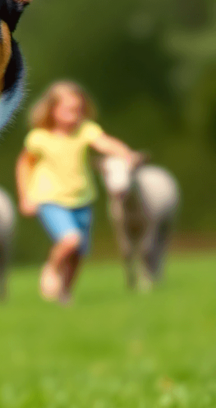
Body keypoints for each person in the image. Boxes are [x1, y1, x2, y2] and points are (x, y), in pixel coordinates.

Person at [15, 81, 140, 303]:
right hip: (50, 198)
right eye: (68, 109)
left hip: (83, 198)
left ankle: (65, 293)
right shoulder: (39, 138)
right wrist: (25, 196)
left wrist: (125, 153)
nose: (75, 114)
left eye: (79, 109)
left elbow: (105, 144)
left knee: (78, 254)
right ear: (52, 110)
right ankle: (51, 270)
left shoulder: (85, 131)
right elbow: (24, 165)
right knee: (70, 240)